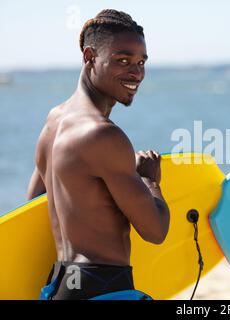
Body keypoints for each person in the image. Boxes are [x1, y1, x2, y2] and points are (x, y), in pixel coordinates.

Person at [26, 9, 170, 300]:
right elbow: (155, 231)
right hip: (104, 288)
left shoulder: (53, 122)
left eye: (141, 62)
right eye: (123, 60)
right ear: (90, 56)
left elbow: (32, 206)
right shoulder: (104, 135)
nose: (136, 72)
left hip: (59, 286)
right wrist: (151, 181)